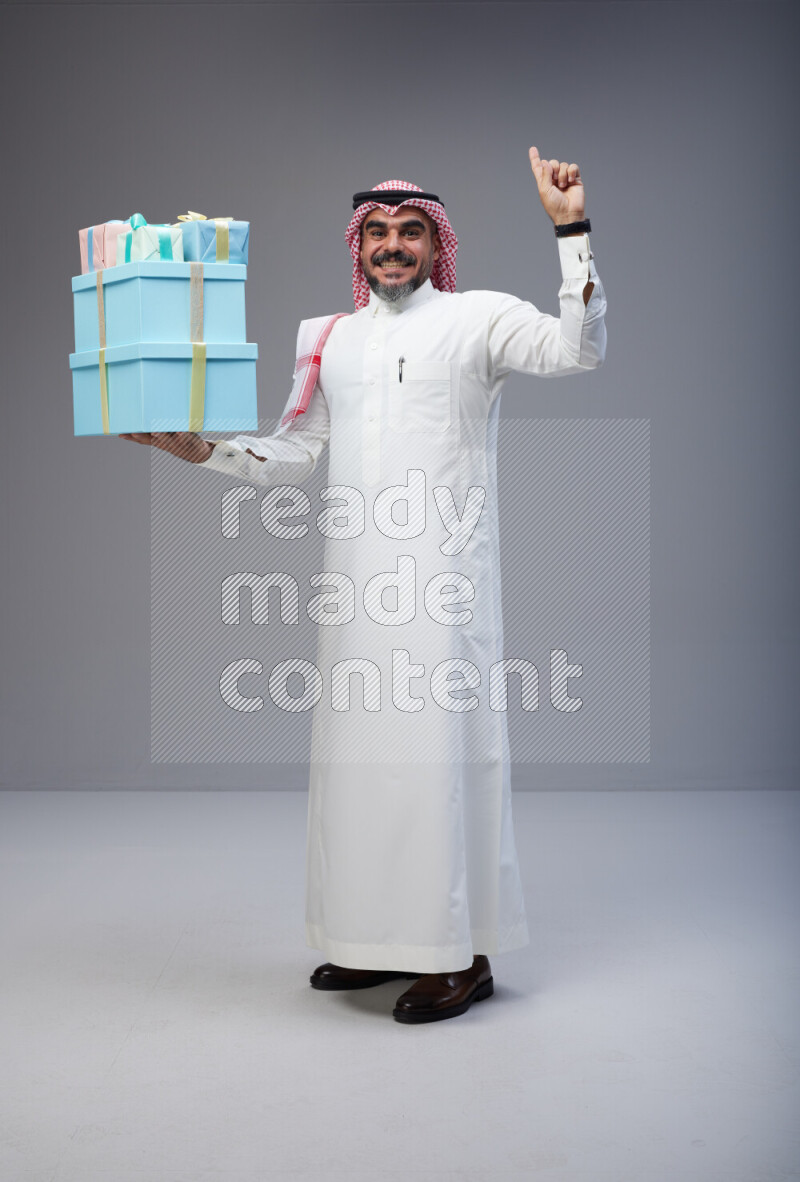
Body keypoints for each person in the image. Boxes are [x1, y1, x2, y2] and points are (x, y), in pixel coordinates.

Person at [121, 147, 607, 1024]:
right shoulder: (328, 337)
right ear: (359, 246)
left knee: (437, 765)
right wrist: (205, 451)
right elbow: (297, 452)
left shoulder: (478, 319)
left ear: (434, 244)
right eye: (377, 233)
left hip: (444, 584)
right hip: (356, 586)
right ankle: (374, 942)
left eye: (410, 232)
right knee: (359, 767)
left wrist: (570, 229)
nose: (392, 246)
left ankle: (461, 955)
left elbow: (579, 349)